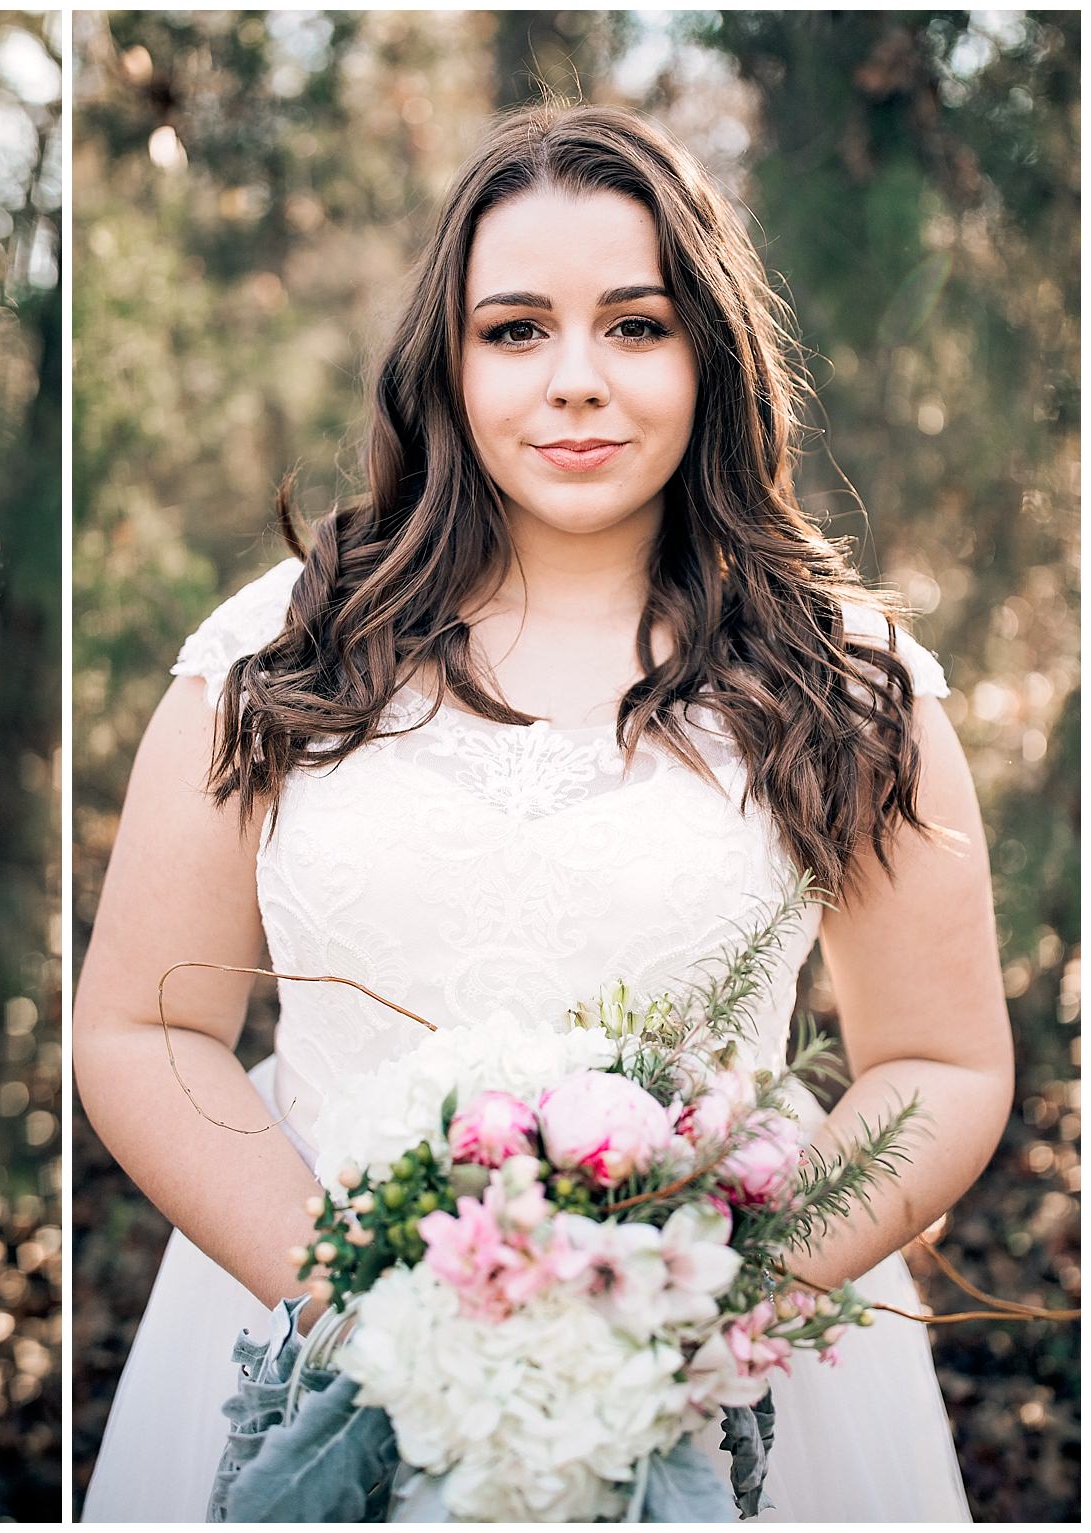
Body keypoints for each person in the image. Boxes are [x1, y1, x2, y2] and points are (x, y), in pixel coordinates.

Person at [76, 102, 1011, 1522]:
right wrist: (371, 1309)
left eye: (635, 326)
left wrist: (691, 1311)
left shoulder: (848, 679)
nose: (576, 380)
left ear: (712, 350)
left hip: (719, 1368)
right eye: (516, 329)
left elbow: (939, 1063)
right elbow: (145, 1024)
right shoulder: (281, 648)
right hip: (304, 1326)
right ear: (446, 363)